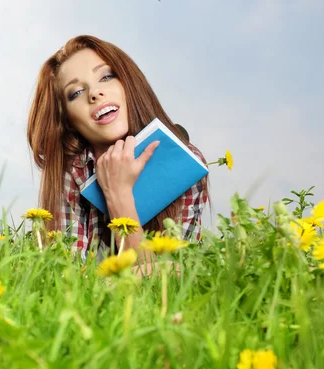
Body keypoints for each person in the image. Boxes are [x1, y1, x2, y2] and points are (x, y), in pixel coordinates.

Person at [26, 35, 209, 264]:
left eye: (106, 76)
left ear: (129, 83)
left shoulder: (184, 162)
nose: (94, 93)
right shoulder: (72, 173)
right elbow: (68, 280)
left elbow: (172, 284)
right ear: (69, 121)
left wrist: (119, 196)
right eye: (76, 93)